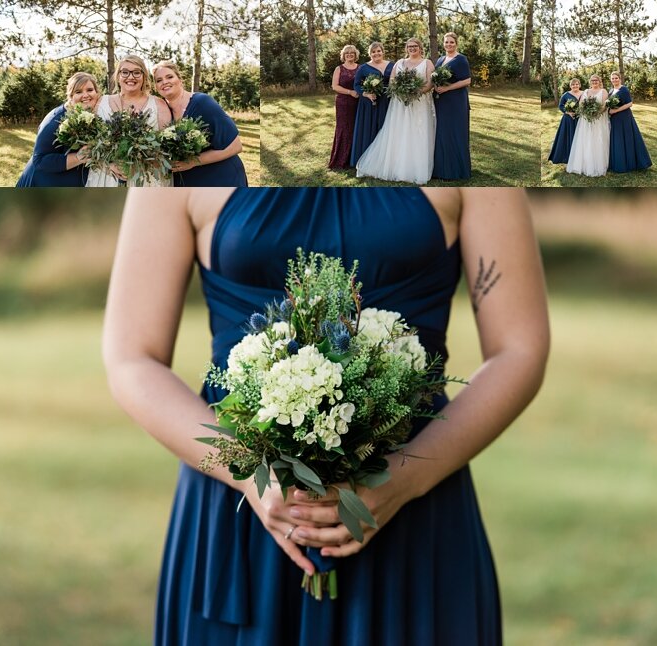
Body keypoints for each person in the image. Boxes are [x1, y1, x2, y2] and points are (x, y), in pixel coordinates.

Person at [103, 187, 550, 645]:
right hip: (243, 511)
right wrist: (243, 472)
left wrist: (405, 479)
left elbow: (519, 348)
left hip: (415, 505)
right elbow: (132, 357)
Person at [153, 61, 248, 187]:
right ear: (156, 87)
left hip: (222, 179)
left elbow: (236, 146)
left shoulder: (202, 103)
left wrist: (192, 162)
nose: (164, 82)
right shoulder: (162, 112)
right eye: (159, 80)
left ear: (180, 80)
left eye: (169, 77)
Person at [356, 38, 435, 184]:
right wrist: (400, 91)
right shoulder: (399, 63)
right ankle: (396, 166)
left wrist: (417, 92)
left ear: (420, 47)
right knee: (399, 132)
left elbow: (430, 83)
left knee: (418, 132)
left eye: (415, 46)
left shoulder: (427, 63)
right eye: (409, 46)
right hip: (399, 104)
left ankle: (415, 168)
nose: (412, 48)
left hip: (419, 102)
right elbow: (392, 80)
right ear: (406, 48)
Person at [86, 55, 172, 187]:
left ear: (144, 76)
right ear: (118, 76)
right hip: (106, 178)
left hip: (145, 180)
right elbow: (90, 144)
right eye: (125, 72)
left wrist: (138, 163)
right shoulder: (101, 102)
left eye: (137, 72)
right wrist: (109, 165)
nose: (130, 77)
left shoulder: (159, 105)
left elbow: (166, 150)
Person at [16, 72, 100, 187]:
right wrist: (78, 157)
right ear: (70, 96)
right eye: (78, 92)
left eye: (90, 90)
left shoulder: (91, 116)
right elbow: (39, 160)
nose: (85, 95)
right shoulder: (55, 120)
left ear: (97, 92)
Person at [432, 33, 471, 181]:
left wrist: (448, 88)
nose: (449, 44)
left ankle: (455, 170)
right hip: (441, 100)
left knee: (454, 133)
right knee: (442, 133)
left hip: (455, 101)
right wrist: (436, 86)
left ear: (456, 44)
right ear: (443, 44)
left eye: (452, 42)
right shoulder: (441, 59)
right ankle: (441, 169)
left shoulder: (461, 59)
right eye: (446, 42)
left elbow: (467, 80)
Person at [349, 42, 394, 167]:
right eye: (373, 52)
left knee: (386, 127)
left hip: (388, 100)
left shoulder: (392, 65)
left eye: (378, 51)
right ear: (370, 54)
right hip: (369, 102)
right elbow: (356, 85)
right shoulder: (363, 68)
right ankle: (367, 160)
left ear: (382, 52)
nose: (376, 54)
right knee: (370, 127)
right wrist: (366, 94)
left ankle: (385, 160)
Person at [607, 72, 652, 173]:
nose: (614, 80)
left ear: (620, 79)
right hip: (614, 119)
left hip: (624, 117)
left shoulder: (624, 89)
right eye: (613, 78)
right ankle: (619, 161)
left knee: (627, 139)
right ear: (611, 80)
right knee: (618, 139)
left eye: (616, 78)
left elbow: (630, 103)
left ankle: (632, 163)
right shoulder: (611, 91)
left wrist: (616, 111)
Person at [566, 74, 609, 177]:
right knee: (585, 140)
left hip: (599, 119)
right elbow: (581, 104)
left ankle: (598, 164)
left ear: (599, 81)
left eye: (596, 80)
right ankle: (584, 164)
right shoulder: (585, 91)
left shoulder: (603, 91)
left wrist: (596, 113)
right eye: (592, 80)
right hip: (585, 120)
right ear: (590, 82)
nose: (594, 82)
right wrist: (586, 112)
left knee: (597, 140)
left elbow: (604, 106)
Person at [328, 45, 360, 169]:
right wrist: (350, 92)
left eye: (352, 53)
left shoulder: (360, 68)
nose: (350, 55)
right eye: (347, 53)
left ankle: (354, 159)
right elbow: (335, 86)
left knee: (356, 128)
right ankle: (341, 159)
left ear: (355, 54)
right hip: (343, 102)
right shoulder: (339, 69)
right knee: (344, 128)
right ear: (343, 55)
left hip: (358, 102)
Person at [548, 78, 582, 165]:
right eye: (573, 84)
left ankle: (580, 156)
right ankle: (568, 156)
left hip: (581, 119)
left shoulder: (584, 93)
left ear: (579, 85)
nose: (575, 86)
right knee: (569, 136)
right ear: (570, 86)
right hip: (569, 119)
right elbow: (560, 106)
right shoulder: (566, 95)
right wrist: (568, 112)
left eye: (577, 84)